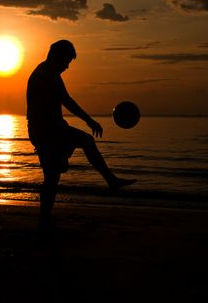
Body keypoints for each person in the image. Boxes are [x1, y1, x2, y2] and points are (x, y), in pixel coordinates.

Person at [26, 40, 136, 229]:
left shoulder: (46, 71)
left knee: (52, 177)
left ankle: (44, 221)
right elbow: (67, 101)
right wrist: (89, 120)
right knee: (85, 141)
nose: (67, 66)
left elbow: (62, 102)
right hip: (48, 131)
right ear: (57, 56)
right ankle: (111, 180)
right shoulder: (46, 76)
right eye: (67, 61)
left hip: (47, 129)